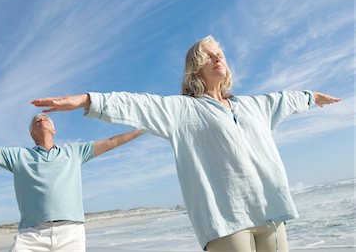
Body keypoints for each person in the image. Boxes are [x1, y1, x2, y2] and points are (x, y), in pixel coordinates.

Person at [31, 35, 341, 252]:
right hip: (225, 220)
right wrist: (87, 100)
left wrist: (313, 97)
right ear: (195, 67)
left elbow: (287, 99)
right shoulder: (182, 110)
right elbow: (136, 104)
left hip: (270, 212)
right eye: (208, 54)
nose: (217, 56)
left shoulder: (254, 105)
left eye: (219, 52)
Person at [0, 113, 143, 252]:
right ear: (32, 133)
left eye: (46, 117)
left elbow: (112, 141)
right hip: (31, 235)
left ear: (54, 128)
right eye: (35, 120)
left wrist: (145, 128)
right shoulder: (18, 156)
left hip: (71, 232)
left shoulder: (75, 152)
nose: (41, 118)